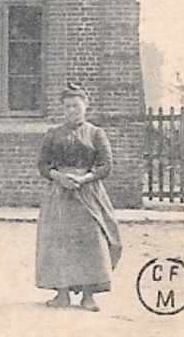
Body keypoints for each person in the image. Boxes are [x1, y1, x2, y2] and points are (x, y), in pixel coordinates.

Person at [36, 83, 123, 311]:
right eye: (67, 106)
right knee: (60, 241)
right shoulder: (53, 134)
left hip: (89, 194)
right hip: (60, 195)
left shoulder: (95, 134)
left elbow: (106, 165)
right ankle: (62, 294)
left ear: (85, 106)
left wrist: (84, 178)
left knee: (91, 241)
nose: (72, 110)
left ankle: (88, 295)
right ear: (62, 109)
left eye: (76, 105)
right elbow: (42, 165)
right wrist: (58, 176)